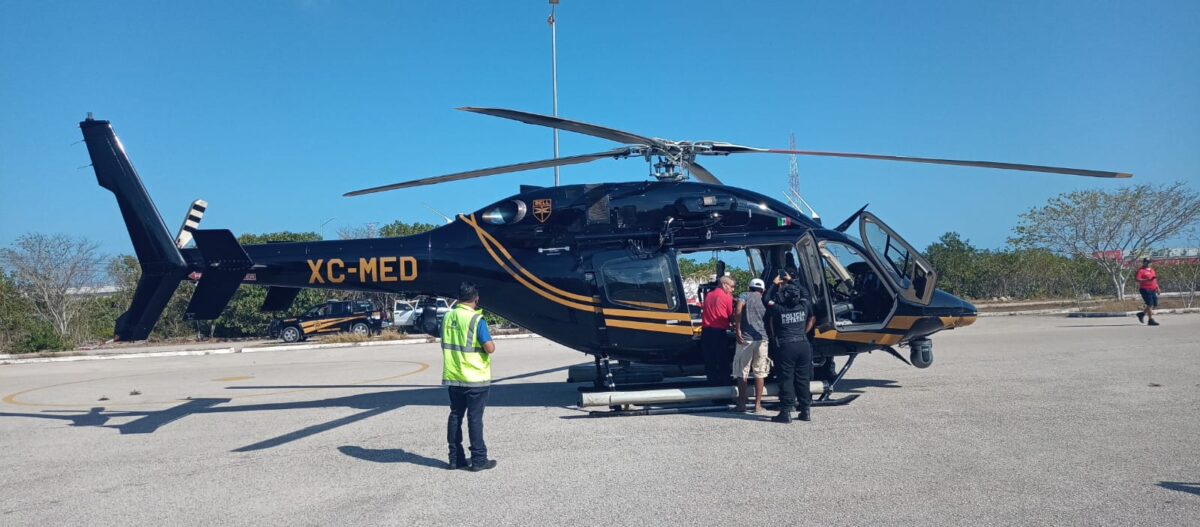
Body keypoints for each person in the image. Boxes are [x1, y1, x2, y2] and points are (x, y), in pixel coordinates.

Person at [442, 282, 498, 471]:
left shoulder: (447, 317)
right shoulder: (476, 319)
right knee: (474, 418)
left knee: (455, 415)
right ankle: (479, 459)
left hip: (454, 375)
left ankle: (455, 458)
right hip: (475, 377)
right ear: (476, 299)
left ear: (458, 298)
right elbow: (489, 348)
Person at [766, 276, 816, 423]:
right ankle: (805, 410)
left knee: (786, 378)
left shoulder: (778, 309)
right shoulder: (804, 306)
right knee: (803, 378)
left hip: (786, 346)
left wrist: (774, 284)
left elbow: (766, 299)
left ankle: (786, 411)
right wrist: (793, 280)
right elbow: (806, 293)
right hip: (803, 344)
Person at [732, 278, 771, 413]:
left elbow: (738, 309)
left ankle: (741, 404)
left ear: (750, 287)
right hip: (762, 339)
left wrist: (737, 329)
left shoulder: (744, 295)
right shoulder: (765, 298)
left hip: (745, 339)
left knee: (742, 372)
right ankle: (757, 405)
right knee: (760, 372)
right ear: (763, 290)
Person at [701, 275, 737, 385]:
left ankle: (712, 382)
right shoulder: (727, 297)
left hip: (706, 331)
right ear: (724, 285)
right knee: (722, 359)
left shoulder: (709, 295)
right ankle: (725, 382)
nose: (733, 289)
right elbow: (731, 315)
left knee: (710, 359)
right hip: (718, 332)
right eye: (732, 286)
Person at [1135, 258, 1160, 326]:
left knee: (1155, 304)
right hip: (1145, 289)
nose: (1148, 263)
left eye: (1149, 262)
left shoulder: (1152, 270)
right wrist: (1146, 280)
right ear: (1143, 263)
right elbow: (1137, 279)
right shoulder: (1141, 270)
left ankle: (1142, 314)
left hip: (1153, 289)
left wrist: (1157, 287)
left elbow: (1154, 280)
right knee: (1150, 304)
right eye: (1146, 262)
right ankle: (1150, 320)